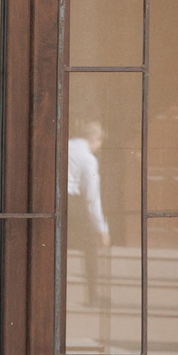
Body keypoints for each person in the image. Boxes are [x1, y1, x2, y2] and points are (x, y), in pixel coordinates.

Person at [69, 120, 110, 304]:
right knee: (90, 245)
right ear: (94, 139)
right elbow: (92, 197)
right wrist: (101, 228)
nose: (99, 147)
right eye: (100, 142)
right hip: (73, 202)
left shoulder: (66, 146)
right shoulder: (88, 159)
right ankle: (93, 296)